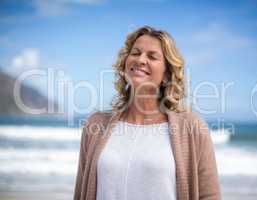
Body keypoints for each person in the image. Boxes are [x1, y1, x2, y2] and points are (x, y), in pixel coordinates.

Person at [74, 26, 221, 200]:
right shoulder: (96, 124)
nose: (141, 60)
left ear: (167, 74)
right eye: (135, 53)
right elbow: (80, 193)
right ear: (125, 63)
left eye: (152, 56)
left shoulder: (192, 127)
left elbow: (209, 195)